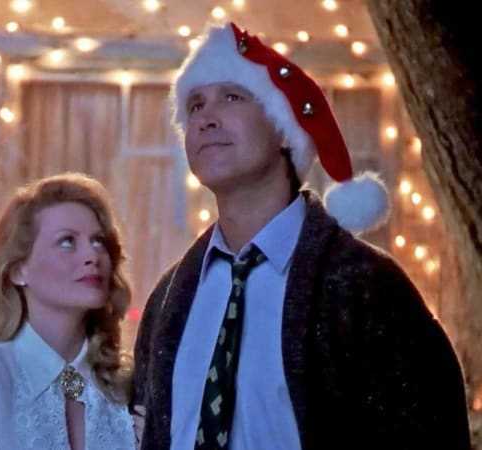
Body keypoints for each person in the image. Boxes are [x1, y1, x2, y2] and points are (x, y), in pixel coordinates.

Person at [132, 22, 471, 450]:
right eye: (195, 105)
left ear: (283, 128)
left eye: (232, 97)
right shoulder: (169, 298)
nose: (205, 119)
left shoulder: (365, 285)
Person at [0, 173, 137, 450]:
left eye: (98, 241)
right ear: (18, 269)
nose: (92, 256)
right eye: (67, 242)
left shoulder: (126, 387)